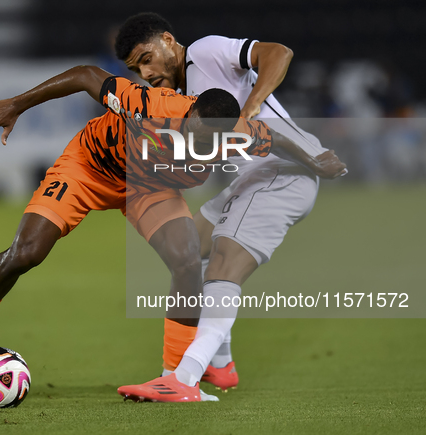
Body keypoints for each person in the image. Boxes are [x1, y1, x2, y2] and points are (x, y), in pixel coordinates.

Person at [0, 64, 321, 402]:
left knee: (186, 262)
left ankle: (174, 379)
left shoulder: (236, 133)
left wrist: (318, 160)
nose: (193, 142)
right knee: (26, 252)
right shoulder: (152, 105)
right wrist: (17, 104)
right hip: (89, 168)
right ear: (191, 109)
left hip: (150, 190)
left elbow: (279, 139)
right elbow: (85, 75)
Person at [114, 13, 347, 400]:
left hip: (282, 172)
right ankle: (220, 365)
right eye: (136, 68)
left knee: (223, 265)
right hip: (256, 177)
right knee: (191, 250)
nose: (145, 71)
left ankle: (184, 378)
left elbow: (278, 53)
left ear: (169, 41)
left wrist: (252, 104)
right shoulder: (175, 99)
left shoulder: (204, 53)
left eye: (146, 57)